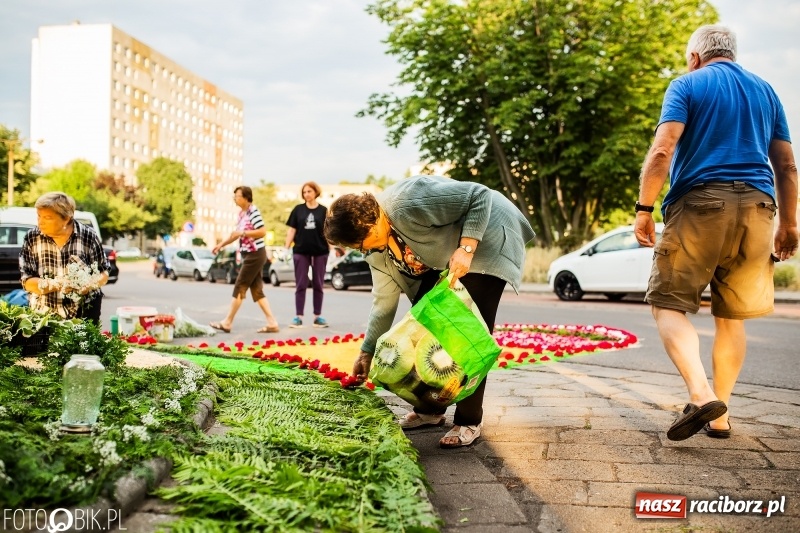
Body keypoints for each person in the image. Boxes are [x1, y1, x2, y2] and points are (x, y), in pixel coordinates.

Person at [634, 25, 798, 441]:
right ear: (731, 53)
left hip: (700, 205)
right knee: (731, 316)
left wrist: (643, 209)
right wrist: (790, 224)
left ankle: (701, 393)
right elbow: (787, 166)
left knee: (667, 303)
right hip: (759, 212)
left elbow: (662, 150)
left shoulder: (687, 84)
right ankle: (721, 416)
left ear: (695, 57)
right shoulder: (766, 91)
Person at [324, 175, 535, 448]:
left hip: (490, 233)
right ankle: (431, 410)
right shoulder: (374, 250)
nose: (364, 250)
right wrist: (367, 350)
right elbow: (383, 301)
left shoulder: (407, 202)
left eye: (362, 243)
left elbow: (479, 195)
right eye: (356, 248)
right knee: (422, 321)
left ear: (370, 222)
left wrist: (467, 248)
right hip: (454, 250)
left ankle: (469, 420)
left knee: (464, 331)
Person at [19, 192, 110, 324]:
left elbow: (104, 272)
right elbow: (27, 282)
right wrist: (56, 284)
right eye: (39, 216)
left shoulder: (88, 236)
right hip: (43, 315)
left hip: (84, 312)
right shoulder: (32, 238)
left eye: (48, 217)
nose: (40, 222)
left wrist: (87, 286)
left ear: (66, 218)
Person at [210, 186, 280, 334]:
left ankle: (227, 322)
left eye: (237, 196)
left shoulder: (253, 211)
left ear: (246, 197)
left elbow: (262, 231)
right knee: (257, 290)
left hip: (255, 254)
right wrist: (220, 245)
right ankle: (272, 322)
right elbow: (235, 235)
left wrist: (243, 232)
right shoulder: (241, 214)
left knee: (240, 285)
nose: (235, 198)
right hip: (248, 254)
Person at [284, 181, 330, 328]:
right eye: (304, 192)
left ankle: (317, 317)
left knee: (318, 284)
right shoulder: (298, 210)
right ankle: (298, 317)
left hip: (320, 252)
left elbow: (328, 231)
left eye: (309, 191)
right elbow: (291, 231)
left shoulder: (323, 210)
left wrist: (334, 248)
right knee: (301, 284)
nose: (306, 194)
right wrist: (286, 248)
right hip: (301, 251)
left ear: (316, 192)